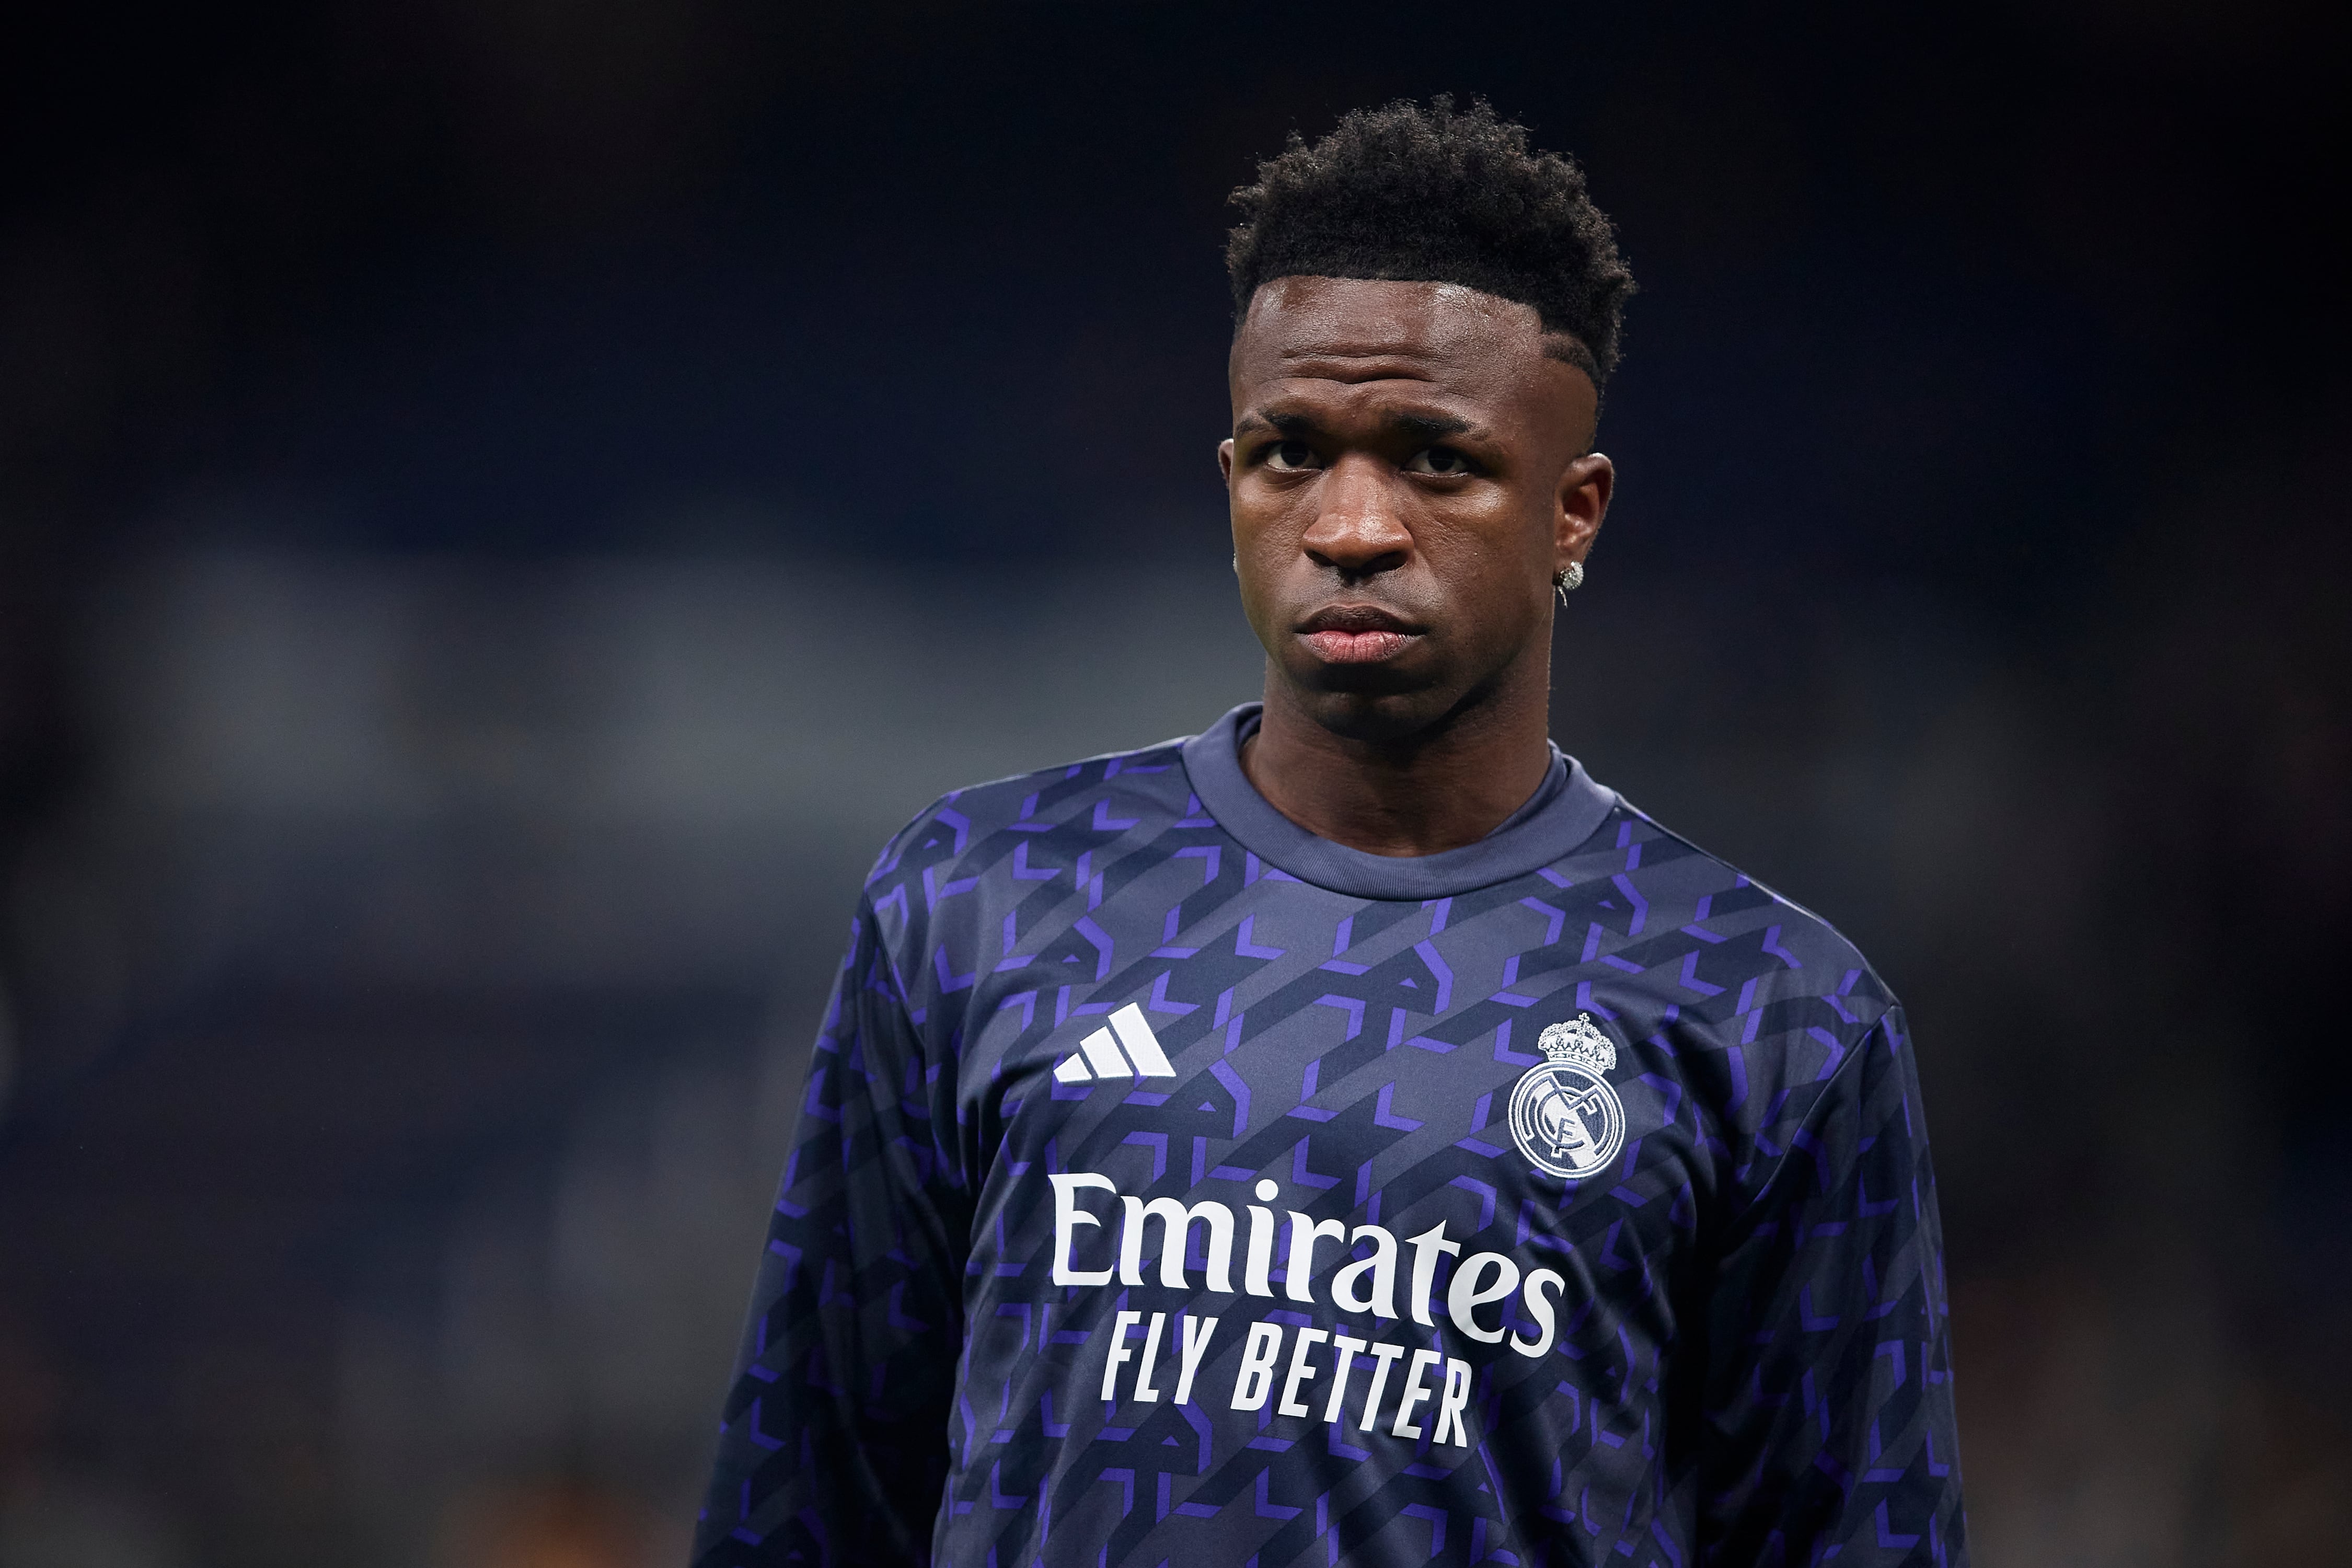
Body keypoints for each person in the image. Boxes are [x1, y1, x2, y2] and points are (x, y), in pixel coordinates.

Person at [691, 98, 1966, 1567]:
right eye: (1288, 452)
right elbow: (811, 1492)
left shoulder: (1771, 1012)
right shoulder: (984, 896)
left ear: (1573, 513)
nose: (1349, 524)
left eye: (1434, 459)